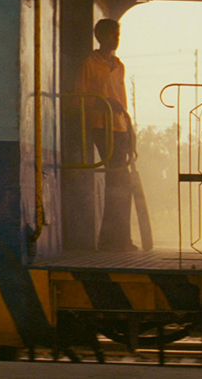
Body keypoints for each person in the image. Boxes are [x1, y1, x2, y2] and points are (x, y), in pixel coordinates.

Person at [75, 18, 135, 251]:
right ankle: (113, 240)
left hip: (120, 126)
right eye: (112, 35)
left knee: (121, 181)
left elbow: (123, 99)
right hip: (100, 125)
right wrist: (103, 104)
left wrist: (129, 129)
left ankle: (118, 238)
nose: (116, 39)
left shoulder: (119, 66)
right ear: (100, 37)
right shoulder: (89, 64)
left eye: (118, 34)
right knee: (118, 180)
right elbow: (81, 96)